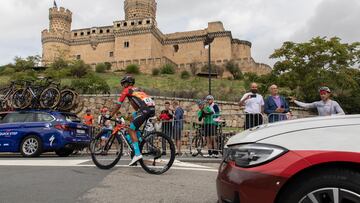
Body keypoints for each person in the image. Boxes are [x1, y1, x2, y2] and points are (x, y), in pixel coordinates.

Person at [110, 76, 156, 166]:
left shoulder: (127, 90)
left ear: (128, 83)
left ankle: (137, 154)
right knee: (132, 121)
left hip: (145, 109)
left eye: (124, 84)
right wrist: (131, 116)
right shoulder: (137, 89)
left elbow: (118, 105)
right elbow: (136, 108)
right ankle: (136, 146)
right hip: (150, 108)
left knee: (131, 130)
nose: (123, 86)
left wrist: (110, 115)